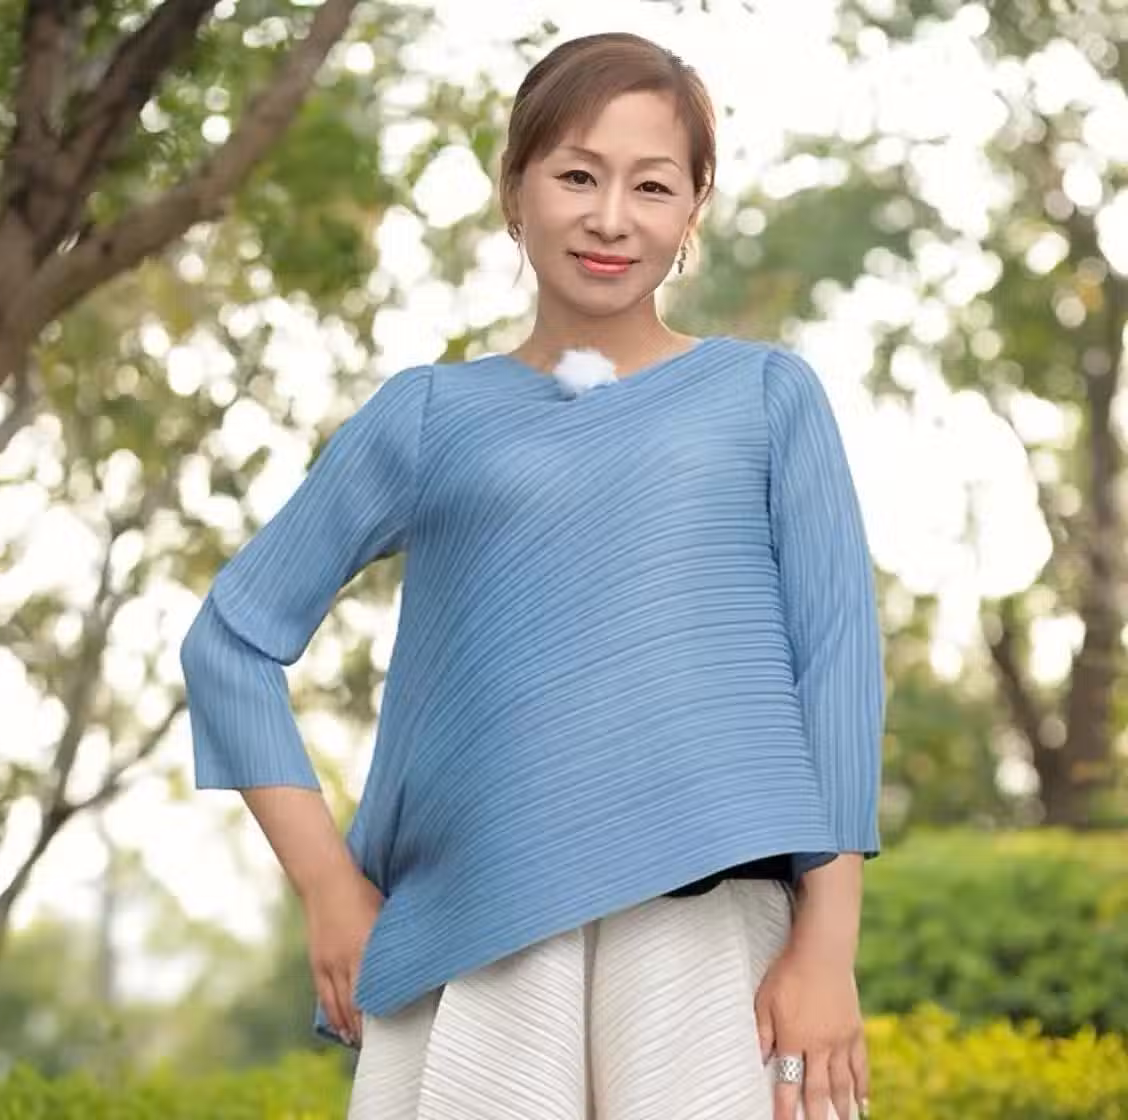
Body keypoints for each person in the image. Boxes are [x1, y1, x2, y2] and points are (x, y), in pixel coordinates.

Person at [180, 30, 883, 1120]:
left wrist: (826, 949)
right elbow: (228, 642)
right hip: (483, 949)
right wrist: (328, 888)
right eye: (577, 176)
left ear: (693, 208)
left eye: (652, 185)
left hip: (710, 947)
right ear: (515, 190)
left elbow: (835, 668)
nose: (612, 217)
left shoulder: (766, 398)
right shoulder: (428, 417)